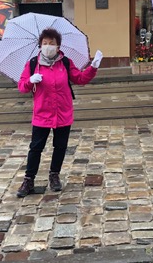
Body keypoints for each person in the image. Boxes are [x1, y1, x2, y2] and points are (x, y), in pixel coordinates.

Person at [16, 28, 103, 197]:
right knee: (35, 148)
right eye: (45, 43)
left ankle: (54, 175)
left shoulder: (65, 63)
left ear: (58, 46)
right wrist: (30, 81)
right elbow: (21, 87)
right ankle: (28, 180)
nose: (48, 46)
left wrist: (93, 67)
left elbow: (80, 79)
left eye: (52, 43)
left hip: (63, 113)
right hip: (42, 114)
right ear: (40, 45)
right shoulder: (33, 64)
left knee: (60, 147)